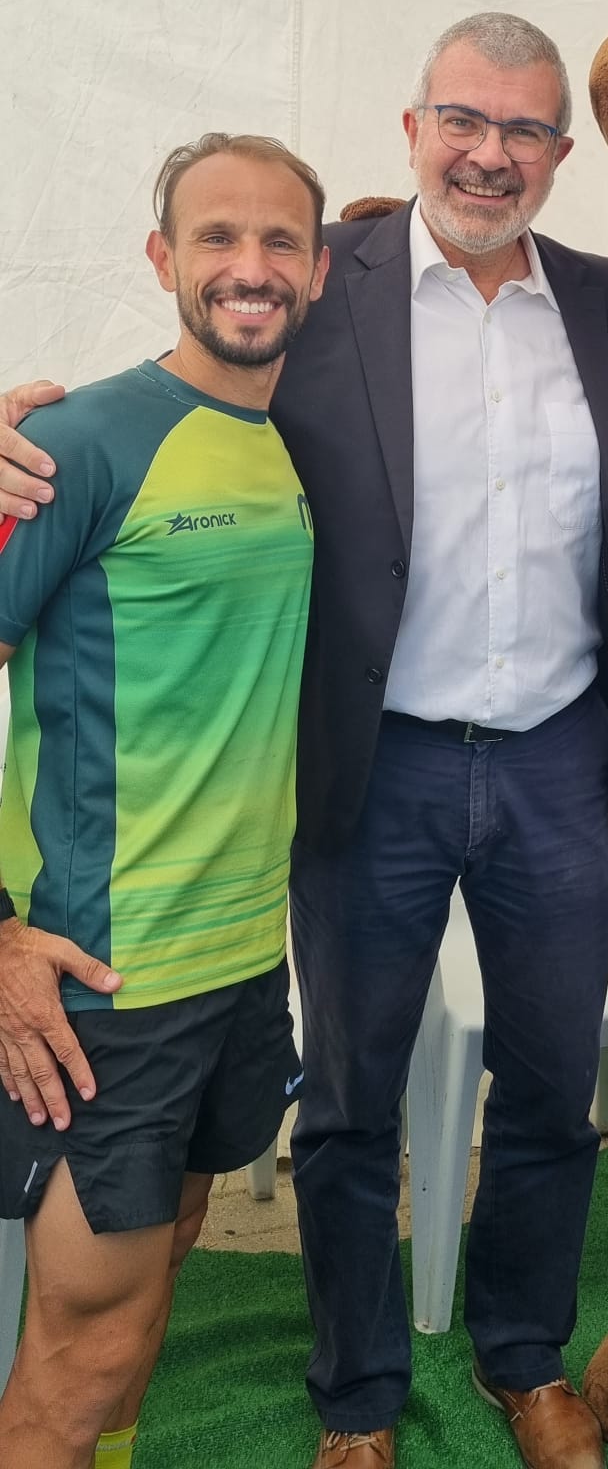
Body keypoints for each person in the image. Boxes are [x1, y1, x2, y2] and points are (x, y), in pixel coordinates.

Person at [0, 12, 608, 1469]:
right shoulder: (319, 278)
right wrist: (17, 436)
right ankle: (355, 1394)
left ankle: (524, 1356)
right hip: (372, 765)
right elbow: (178, 388)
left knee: (552, 1082)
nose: (490, 155)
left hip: (555, 755)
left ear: (560, 152)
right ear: (413, 129)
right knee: (351, 1098)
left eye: (525, 131)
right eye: (462, 123)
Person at [0, 132, 329, 1469]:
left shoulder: (302, 443)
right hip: (104, 981)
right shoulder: (73, 443)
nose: (249, 268)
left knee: (157, 1286)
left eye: (280, 242)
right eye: (216, 239)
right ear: (162, 259)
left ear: (316, 270)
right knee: (78, 1351)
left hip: (246, 965)